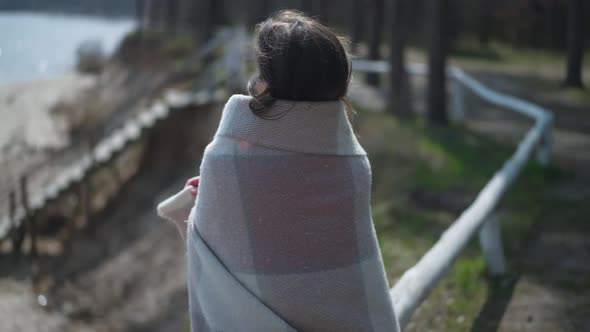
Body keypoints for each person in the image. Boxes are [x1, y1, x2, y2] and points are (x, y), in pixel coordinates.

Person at [183, 10, 400, 332]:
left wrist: (205, 202)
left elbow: (209, 250)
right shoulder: (353, 161)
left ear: (267, 81)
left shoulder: (227, 157)